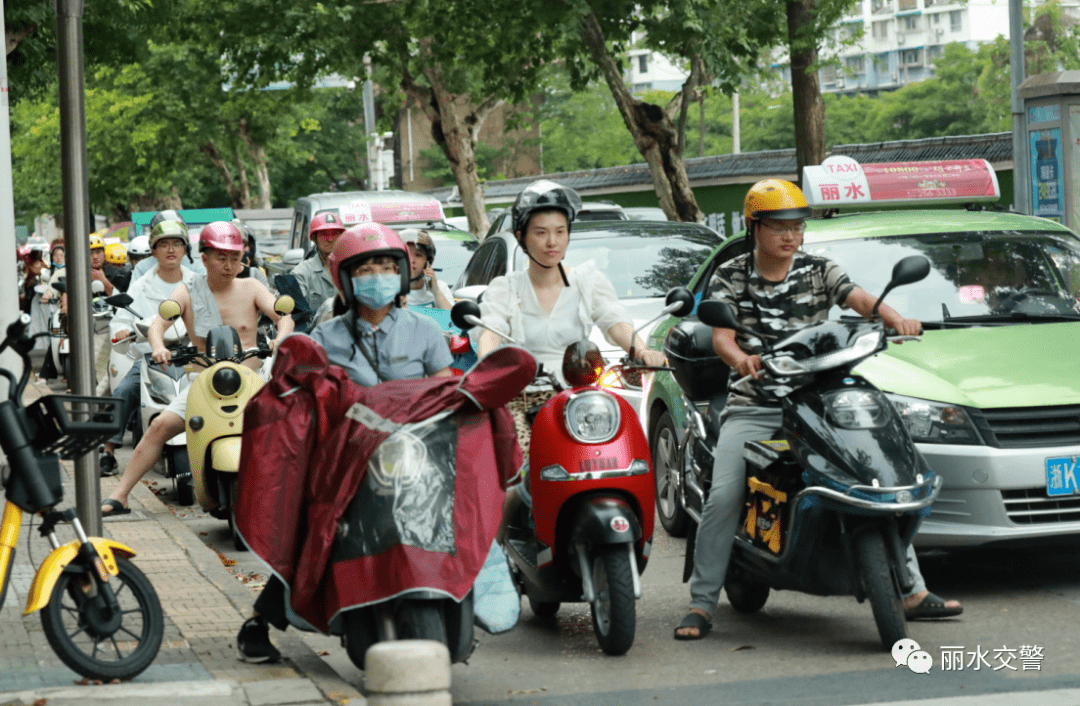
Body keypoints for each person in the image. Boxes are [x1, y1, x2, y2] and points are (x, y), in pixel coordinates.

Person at [673, 179, 962, 640]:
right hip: (757, 404)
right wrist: (741, 360)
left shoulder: (818, 269)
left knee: (875, 472)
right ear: (755, 227)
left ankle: (911, 589)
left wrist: (894, 318)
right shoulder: (732, 275)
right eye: (779, 226)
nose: (791, 236)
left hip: (817, 403)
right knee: (725, 494)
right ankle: (702, 602)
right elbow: (721, 335)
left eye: (798, 226)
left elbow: (859, 299)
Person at [236, 221, 453, 663]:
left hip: (415, 457)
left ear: (402, 273)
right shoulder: (325, 337)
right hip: (347, 463)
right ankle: (263, 618)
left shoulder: (426, 331)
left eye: (386, 267)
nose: (377, 277)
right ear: (345, 279)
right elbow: (302, 399)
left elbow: (447, 391)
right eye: (365, 269)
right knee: (316, 532)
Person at [100, 221, 294, 516]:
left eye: (234, 258)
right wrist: (158, 346)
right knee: (159, 426)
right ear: (204, 259)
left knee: (295, 422)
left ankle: (298, 497)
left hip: (252, 380)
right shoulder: (188, 290)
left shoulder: (252, 286)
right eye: (221, 258)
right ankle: (120, 494)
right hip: (205, 384)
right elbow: (159, 322)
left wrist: (283, 335)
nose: (229, 265)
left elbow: (283, 314)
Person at [99, 220, 197, 476]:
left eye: (177, 243)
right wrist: (121, 330)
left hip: (192, 356)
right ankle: (108, 450)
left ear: (185, 250)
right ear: (153, 251)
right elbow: (122, 317)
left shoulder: (198, 282)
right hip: (151, 357)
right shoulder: (141, 285)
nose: (171, 250)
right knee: (123, 392)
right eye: (163, 245)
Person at [290, 212, 344, 316]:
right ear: (314, 238)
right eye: (324, 234)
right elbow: (296, 314)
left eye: (335, 233)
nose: (330, 239)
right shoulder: (301, 273)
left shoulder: (352, 268)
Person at [402, 229, 453, 309]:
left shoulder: (440, 287)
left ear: (427, 262)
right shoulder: (389, 290)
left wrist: (436, 291)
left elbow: (451, 318)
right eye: (406, 254)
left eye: (418, 255)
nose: (411, 260)